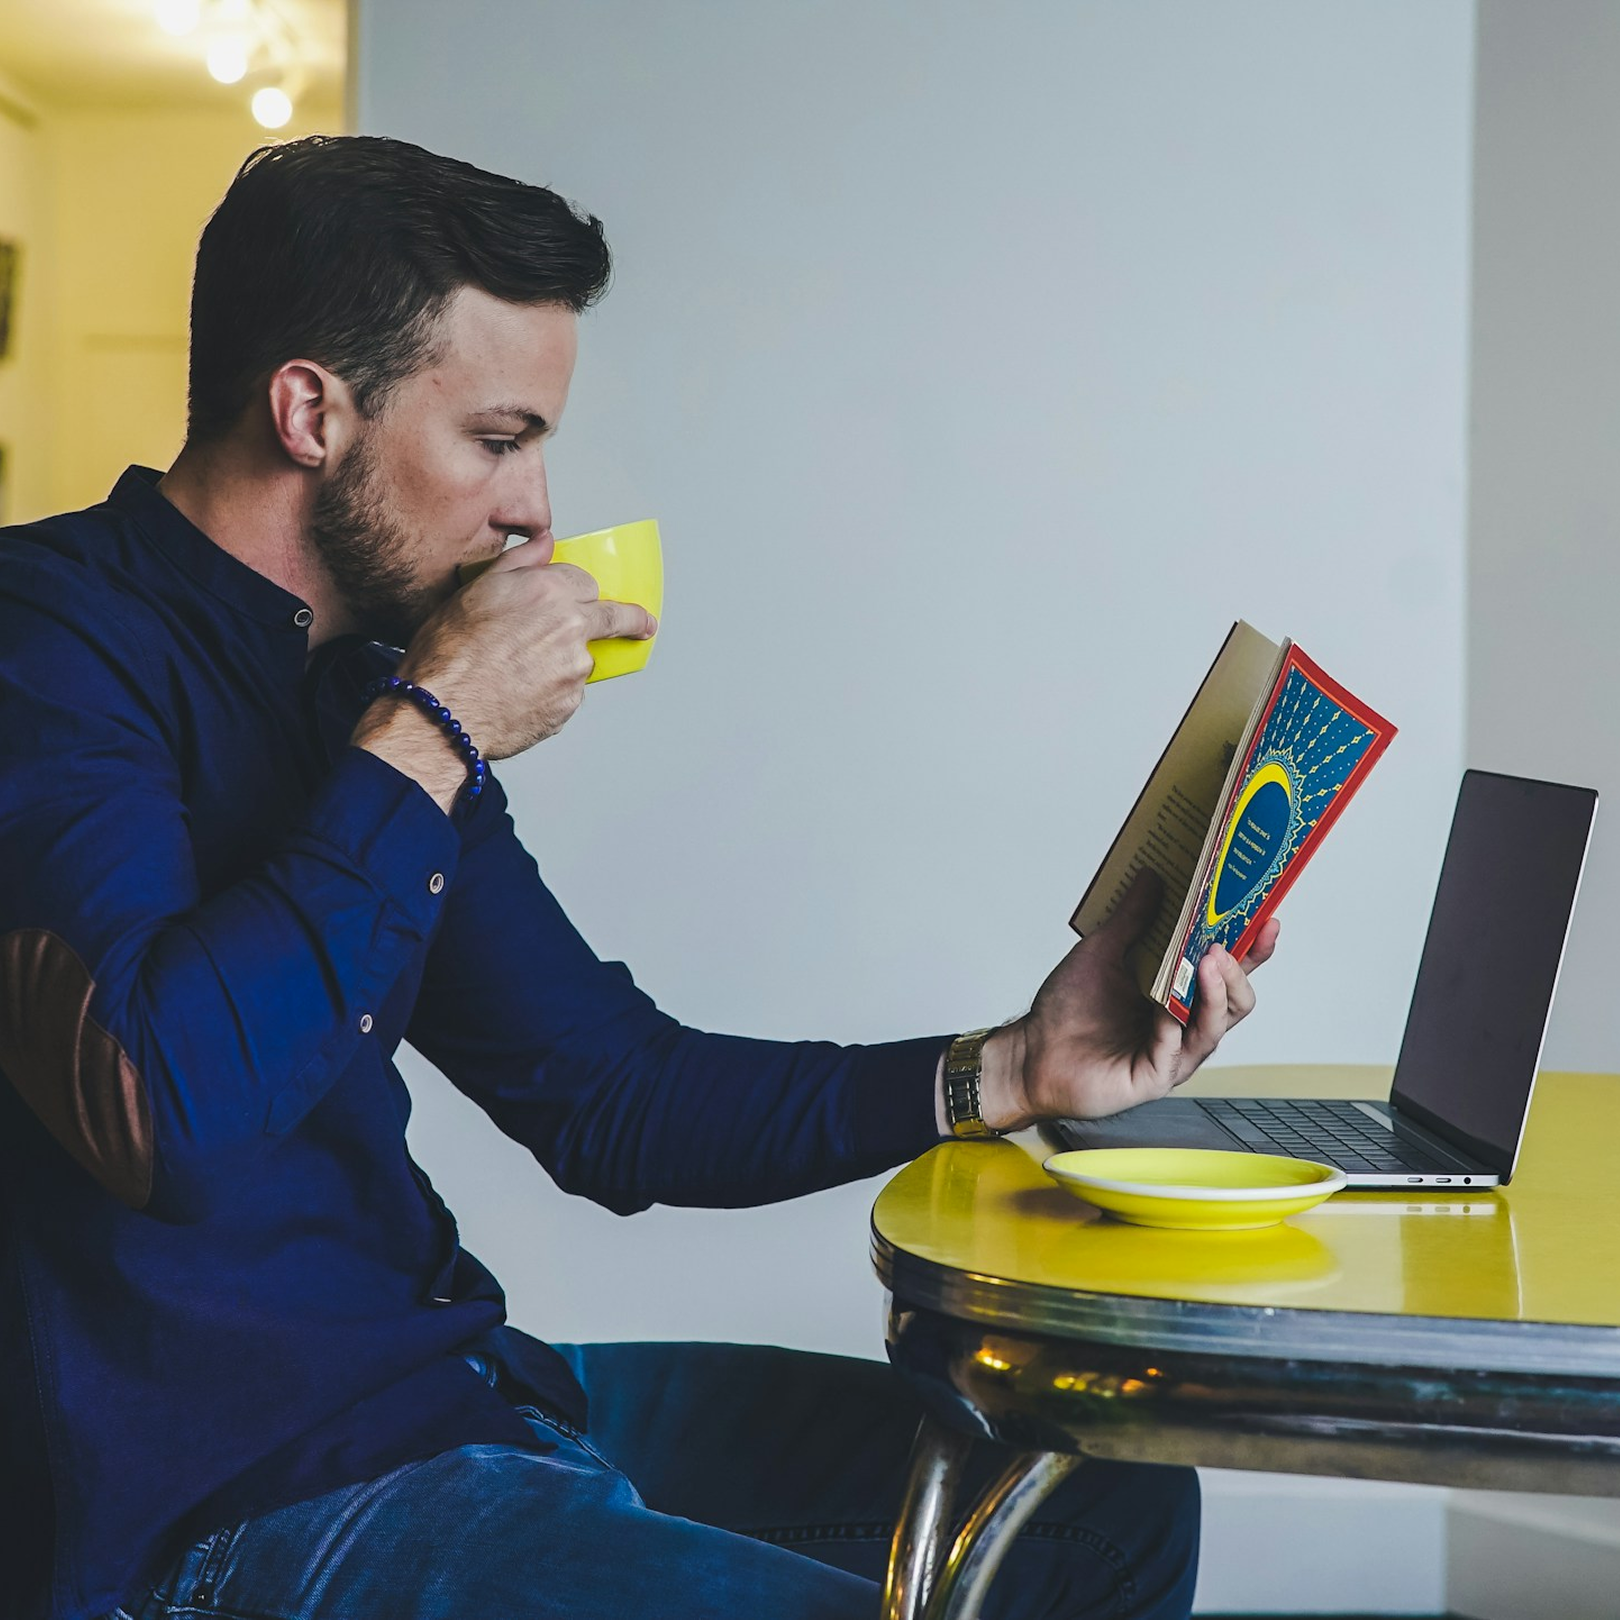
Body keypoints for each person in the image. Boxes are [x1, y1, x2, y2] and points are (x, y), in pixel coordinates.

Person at [0, 135, 1276, 1620]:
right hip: (229, 1507)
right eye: (497, 437)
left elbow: (614, 1099)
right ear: (308, 411)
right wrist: (438, 731)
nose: (537, 507)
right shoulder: (53, 644)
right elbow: (160, 1106)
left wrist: (1007, 1069)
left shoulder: (368, 690)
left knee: (1096, 1506)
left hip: (457, 1397)